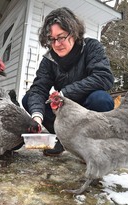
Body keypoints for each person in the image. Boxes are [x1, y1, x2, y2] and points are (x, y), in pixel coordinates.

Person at [22, 7, 114, 156]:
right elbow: (39, 88)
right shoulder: (48, 59)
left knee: (101, 99)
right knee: (29, 99)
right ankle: (62, 139)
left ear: (74, 32)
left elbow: (104, 77)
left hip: (87, 108)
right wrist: (37, 118)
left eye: (61, 37)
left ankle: (91, 145)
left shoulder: (91, 47)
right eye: (52, 39)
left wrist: (64, 93)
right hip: (63, 113)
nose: (57, 44)